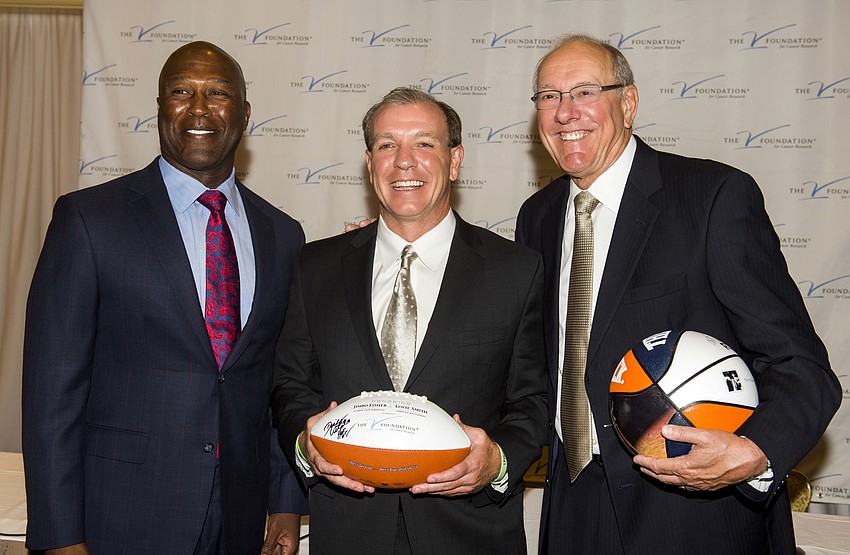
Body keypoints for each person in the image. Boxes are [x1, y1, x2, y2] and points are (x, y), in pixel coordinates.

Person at [515, 33, 842, 554]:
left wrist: (757, 452)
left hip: (692, 514)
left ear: (628, 102)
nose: (564, 112)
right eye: (548, 97)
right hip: (572, 505)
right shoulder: (538, 217)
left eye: (584, 91)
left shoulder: (711, 197)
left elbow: (801, 368)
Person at [22, 41, 307, 554]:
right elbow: (50, 399)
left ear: (243, 114)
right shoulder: (89, 221)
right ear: (159, 108)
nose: (199, 108)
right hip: (122, 518)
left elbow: (280, 384)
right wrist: (61, 539)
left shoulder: (282, 235)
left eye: (217, 93)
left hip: (242, 521)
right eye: (181, 92)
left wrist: (285, 503)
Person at [270, 87, 547, 554]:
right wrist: (306, 443)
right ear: (369, 162)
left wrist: (496, 460)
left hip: (471, 534)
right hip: (348, 533)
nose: (404, 161)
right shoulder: (314, 267)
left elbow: (534, 400)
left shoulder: (516, 270)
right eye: (386, 144)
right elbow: (289, 386)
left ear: (454, 160)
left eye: (424, 143)